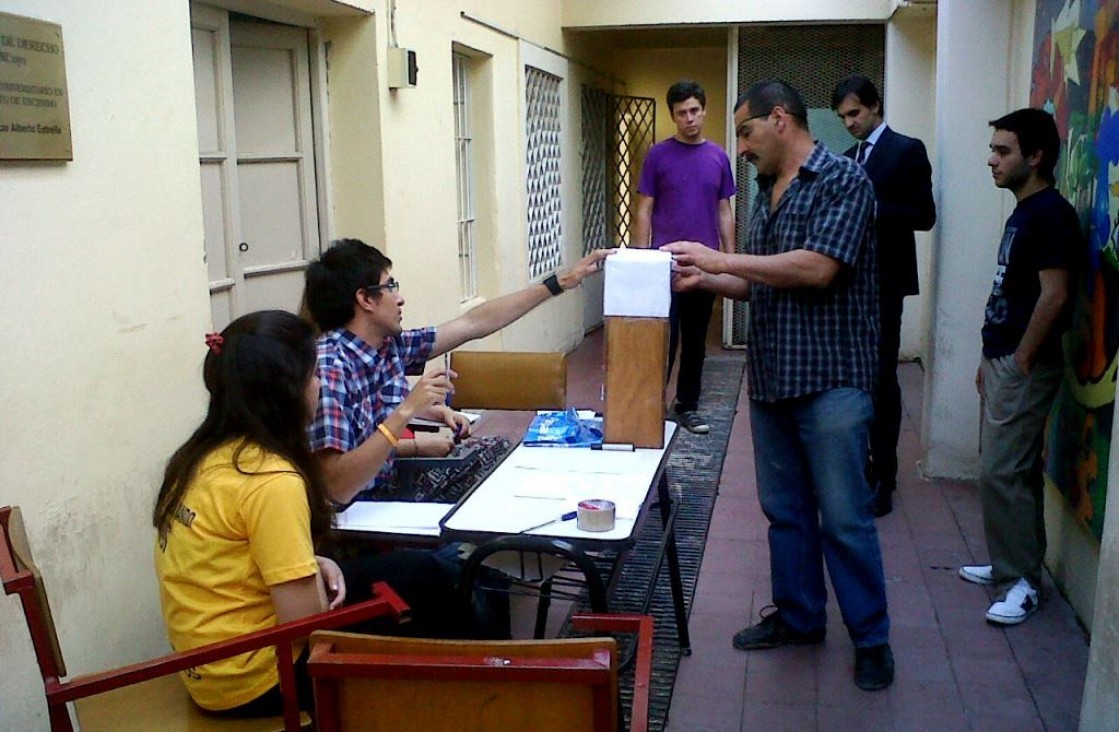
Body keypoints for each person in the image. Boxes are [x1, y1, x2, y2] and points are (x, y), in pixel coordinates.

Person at [662, 80, 893, 691]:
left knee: (844, 518)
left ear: (781, 119)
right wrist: (702, 278)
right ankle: (799, 618)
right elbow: (755, 282)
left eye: (745, 132)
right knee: (785, 513)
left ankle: (871, 639)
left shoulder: (845, 182)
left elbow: (818, 268)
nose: (739, 147)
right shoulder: (765, 193)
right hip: (771, 380)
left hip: (832, 381)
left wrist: (721, 260)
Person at [153, 311, 473, 718]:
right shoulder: (270, 478)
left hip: (210, 665)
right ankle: (468, 704)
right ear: (287, 390)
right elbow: (306, 625)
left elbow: (228, 555)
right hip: (258, 680)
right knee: (427, 588)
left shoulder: (202, 457)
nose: (320, 384)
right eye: (313, 375)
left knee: (419, 570)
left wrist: (314, 560)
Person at [304, 238, 611, 506]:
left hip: (391, 479)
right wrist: (410, 409)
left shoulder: (387, 346)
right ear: (365, 299)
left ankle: (508, 564)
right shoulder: (331, 368)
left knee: (502, 452)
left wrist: (562, 282)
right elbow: (336, 484)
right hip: (366, 506)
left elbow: (473, 324)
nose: (400, 297)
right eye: (390, 286)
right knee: (498, 476)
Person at [958, 108, 1082, 625]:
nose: (992, 160)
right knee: (1017, 472)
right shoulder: (1025, 211)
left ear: (1035, 157)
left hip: (1025, 363)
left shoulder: (1050, 214)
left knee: (1000, 473)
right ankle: (1014, 564)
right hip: (1006, 358)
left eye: (1003, 151)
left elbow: (1054, 296)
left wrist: (1022, 358)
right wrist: (992, 358)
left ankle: (1021, 582)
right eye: (993, 149)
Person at [831, 75, 936, 517]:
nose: (850, 123)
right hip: (849, 281)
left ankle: (884, 477)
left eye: (855, 113)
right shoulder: (849, 156)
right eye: (843, 117)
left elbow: (925, 215)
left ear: (875, 106)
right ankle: (858, 466)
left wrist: (872, 206)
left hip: (885, 282)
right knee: (850, 379)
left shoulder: (906, 149)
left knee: (879, 380)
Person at [633, 80, 736, 435]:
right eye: (682, 113)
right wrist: (643, 258)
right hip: (664, 266)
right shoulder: (658, 155)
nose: (689, 118)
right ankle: (650, 406)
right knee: (661, 339)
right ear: (673, 116)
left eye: (694, 110)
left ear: (704, 110)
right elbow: (644, 208)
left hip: (704, 266)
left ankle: (687, 406)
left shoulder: (718, 157)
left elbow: (724, 209)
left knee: (695, 341)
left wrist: (729, 261)